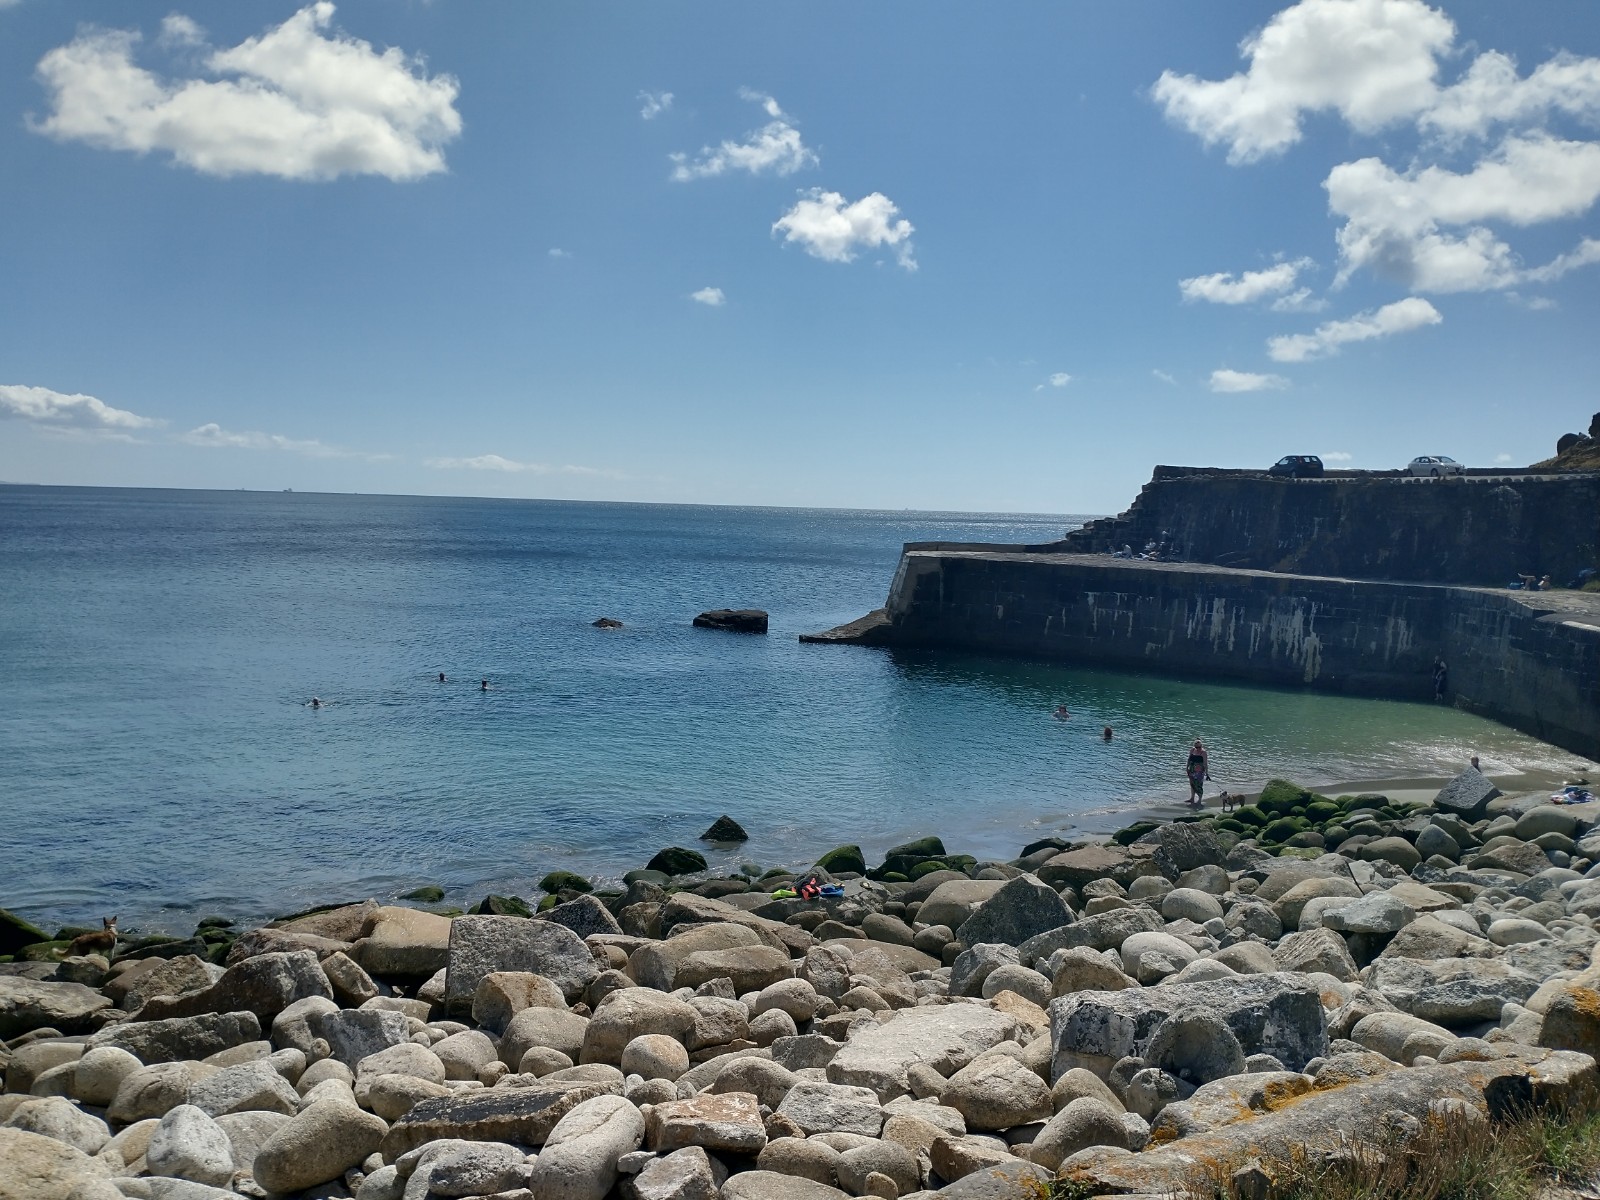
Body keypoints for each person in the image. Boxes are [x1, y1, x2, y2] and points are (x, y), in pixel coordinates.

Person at [1185, 739, 1209, 806]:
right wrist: (1187, 768)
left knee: (1199, 785)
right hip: (1192, 769)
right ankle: (1192, 798)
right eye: (1196, 747)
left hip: (1199, 771)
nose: (1198, 748)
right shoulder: (1192, 750)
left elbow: (1205, 763)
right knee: (1192, 784)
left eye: (1199, 747)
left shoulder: (1203, 752)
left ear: (1201, 746)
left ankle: (1199, 800)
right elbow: (1189, 759)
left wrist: (1207, 773)